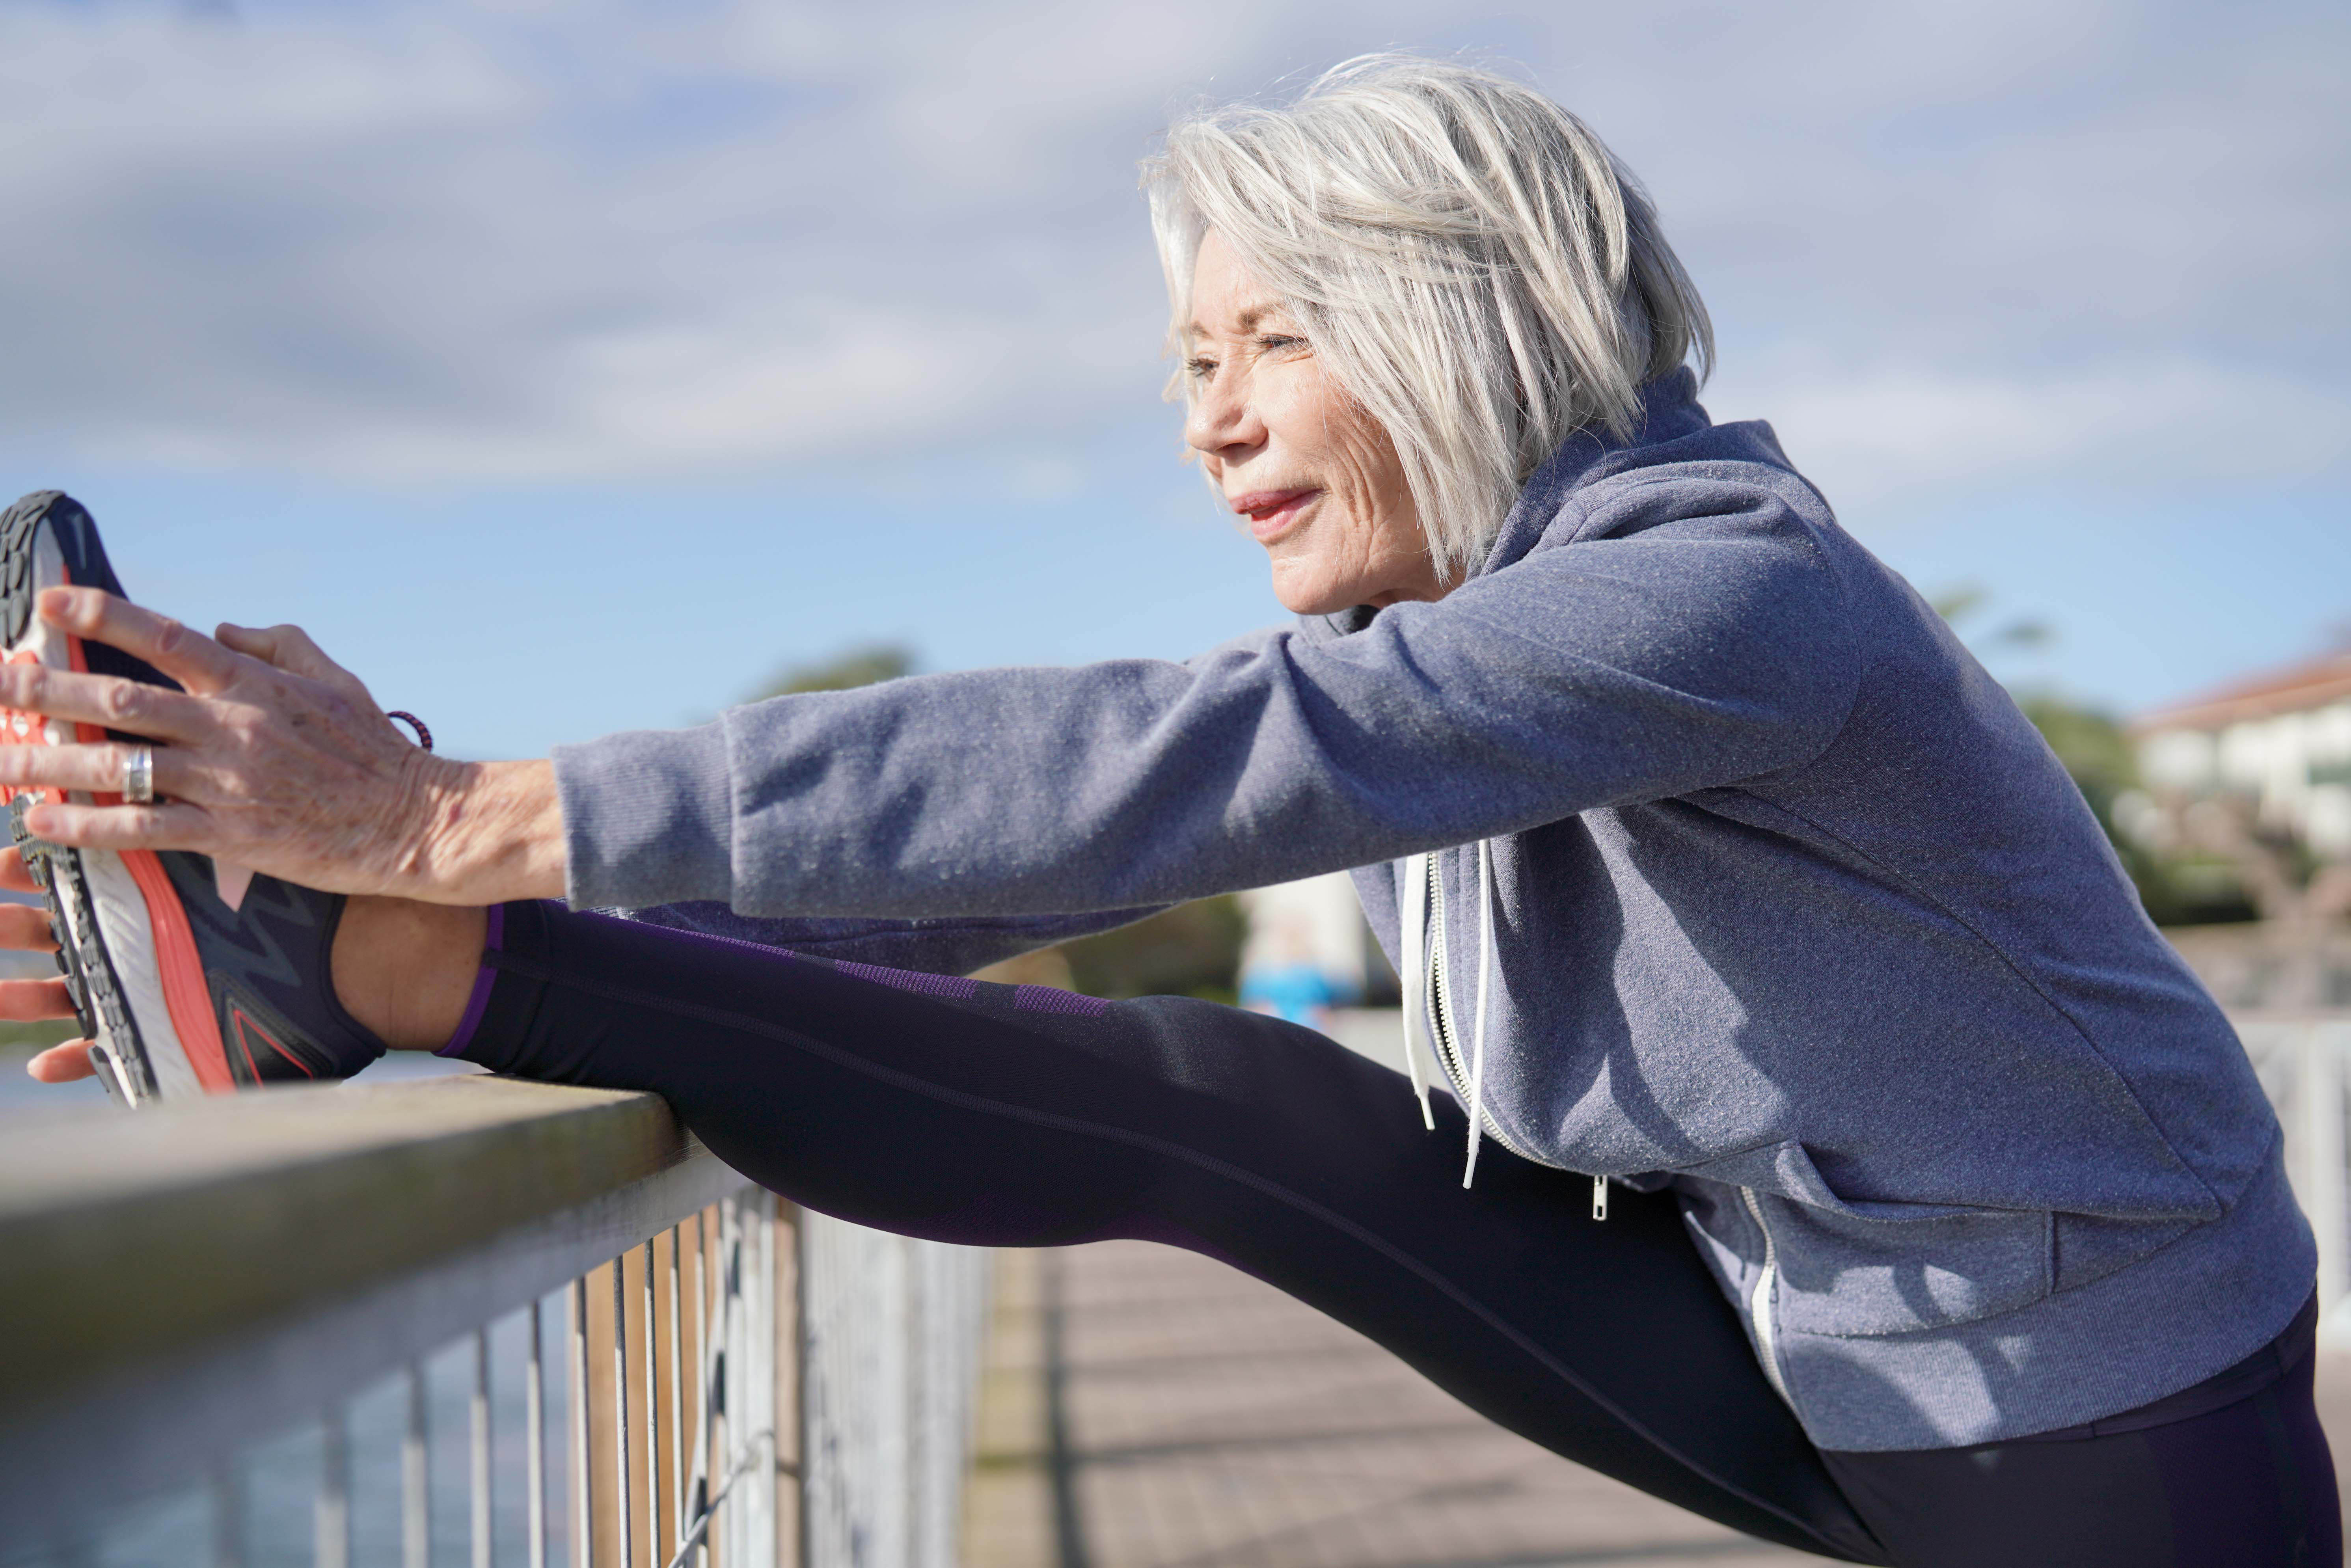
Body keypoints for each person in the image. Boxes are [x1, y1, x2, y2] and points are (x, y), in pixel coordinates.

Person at [1, 56, 2335, 1567]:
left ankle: (394, 947)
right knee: (1244, 1107)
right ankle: (383, 990)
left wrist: (448, 815)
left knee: (1243, 1095)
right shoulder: (1494, 637)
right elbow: (1011, 876)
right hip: (1827, 1331)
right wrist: (454, 935)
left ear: (1476, 312)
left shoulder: (1723, 599)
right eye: (1187, 367)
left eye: (1267, 343)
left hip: (2101, 1420)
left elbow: (1177, 767)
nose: (1210, 424)